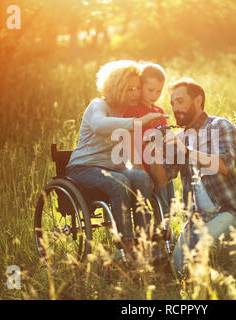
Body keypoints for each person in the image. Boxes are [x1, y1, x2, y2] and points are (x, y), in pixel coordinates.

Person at [152, 78, 236, 276]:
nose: (175, 108)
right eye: (173, 103)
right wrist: (154, 150)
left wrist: (186, 150)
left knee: (199, 252)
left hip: (232, 212)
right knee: (179, 270)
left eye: (180, 101)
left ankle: (225, 266)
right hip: (198, 219)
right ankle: (222, 262)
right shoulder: (180, 138)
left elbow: (224, 165)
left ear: (198, 100)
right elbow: (162, 179)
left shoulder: (220, 126)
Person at [65, 60, 168, 256]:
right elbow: (98, 125)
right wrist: (137, 122)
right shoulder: (98, 105)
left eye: (138, 88)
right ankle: (127, 248)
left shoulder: (128, 111)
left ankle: (144, 241)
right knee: (119, 181)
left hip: (112, 168)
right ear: (116, 88)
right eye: (130, 89)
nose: (136, 94)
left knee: (140, 177)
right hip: (84, 167)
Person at [122, 62, 175, 219]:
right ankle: (160, 234)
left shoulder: (159, 111)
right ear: (141, 86)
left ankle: (166, 231)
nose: (154, 95)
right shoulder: (133, 110)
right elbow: (131, 142)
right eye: (150, 90)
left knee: (169, 205)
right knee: (159, 203)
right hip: (147, 166)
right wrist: (141, 171)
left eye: (158, 91)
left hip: (163, 165)